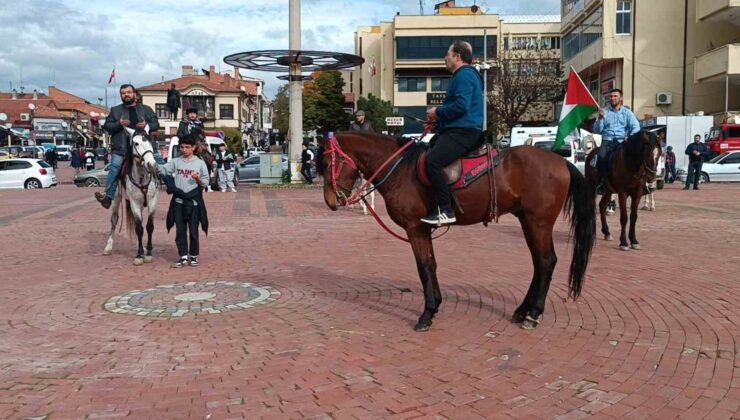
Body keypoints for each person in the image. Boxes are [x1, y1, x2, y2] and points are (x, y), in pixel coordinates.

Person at [421, 40, 484, 225]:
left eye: (448, 54)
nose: (445, 58)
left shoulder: (464, 75)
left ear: (457, 56)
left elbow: (462, 106)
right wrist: (438, 121)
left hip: (464, 132)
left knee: (432, 162)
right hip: (460, 130)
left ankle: (446, 210)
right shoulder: (463, 75)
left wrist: (437, 112)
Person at [95, 84, 159, 209]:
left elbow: (156, 123)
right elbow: (107, 126)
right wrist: (119, 124)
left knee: (159, 165)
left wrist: (146, 125)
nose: (126, 95)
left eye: (129, 92)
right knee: (114, 168)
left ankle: (170, 186)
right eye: (123, 93)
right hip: (122, 148)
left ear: (134, 94)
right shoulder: (115, 110)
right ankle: (108, 196)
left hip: (143, 148)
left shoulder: (146, 109)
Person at [158, 134, 210, 268]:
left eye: (187, 147)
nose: (184, 149)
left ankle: (193, 255)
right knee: (180, 230)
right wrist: (151, 163)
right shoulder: (176, 161)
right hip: (179, 201)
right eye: (182, 147)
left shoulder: (200, 163)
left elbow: (205, 182)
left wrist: (198, 179)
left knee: (193, 230)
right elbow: (163, 170)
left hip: (193, 202)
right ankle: (183, 256)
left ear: (193, 148)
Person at [592, 88, 641, 194]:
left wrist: (631, 136)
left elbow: (636, 127)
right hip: (607, 141)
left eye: (615, 96)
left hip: (622, 142)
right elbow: (597, 130)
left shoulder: (627, 113)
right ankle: (601, 183)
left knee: (637, 157)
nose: (612, 98)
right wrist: (600, 119)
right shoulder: (604, 112)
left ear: (621, 98)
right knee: (601, 157)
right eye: (611, 96)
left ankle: (642, 182)